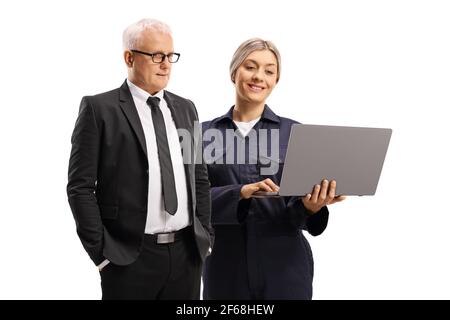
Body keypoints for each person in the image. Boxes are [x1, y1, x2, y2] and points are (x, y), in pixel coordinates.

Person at [67, 18, 212, 300]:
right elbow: (80, 187)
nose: (166, 64)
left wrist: (205, 238)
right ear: (129, 57)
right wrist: (101, 254)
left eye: (170, 56)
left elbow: (199, 177)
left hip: (186, 255)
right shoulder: (100, 109)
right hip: (128, 258)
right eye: (157, 55)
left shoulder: (186, 108)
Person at [201, 38, 346, 300]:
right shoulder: (202, 134)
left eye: (269, 71)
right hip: (225, 266)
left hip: (285, 268)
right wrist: (240, 192)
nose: (259, 77)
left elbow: (295, 213)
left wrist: (311, 206)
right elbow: (192, 200)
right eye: (251, 67)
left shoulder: (295, 134)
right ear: (234, 72)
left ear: (276, 80)